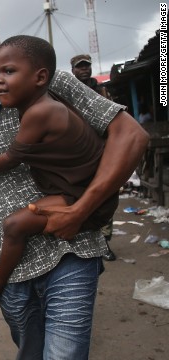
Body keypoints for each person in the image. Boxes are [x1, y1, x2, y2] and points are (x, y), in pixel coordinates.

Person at [0, 10, 149, 359]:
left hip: (71, 249)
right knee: (30, 351)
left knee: (62, 354)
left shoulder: (48, 86)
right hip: (10, 263)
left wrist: (80, 210)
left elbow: (131, 135)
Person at [0, 35, 121, 301]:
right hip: (77, 189)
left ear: (40, 78)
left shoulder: (41, 112)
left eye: (8, 71)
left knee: (15, 225)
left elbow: (10, 158)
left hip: (80, 195)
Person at [70, 54, 118, 261]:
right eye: (80, 67)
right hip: (77, 151)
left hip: (101, 149)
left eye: (86, 66)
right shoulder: (68, 92)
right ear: (73, 70)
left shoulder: (101, 91)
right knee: (79, 194)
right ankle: (83, 240)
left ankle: (104, 241)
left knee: (105, 192)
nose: (84, 70)